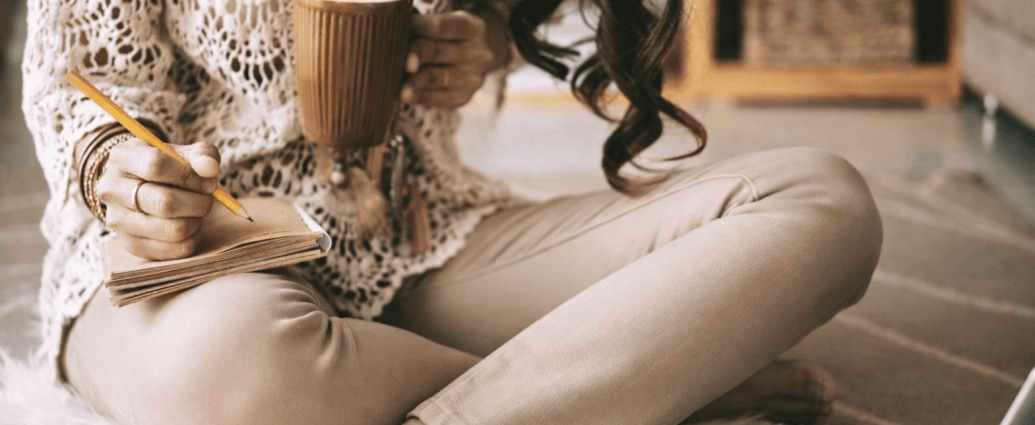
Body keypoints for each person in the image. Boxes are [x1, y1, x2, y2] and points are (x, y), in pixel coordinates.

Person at [21, 0, 883, 422]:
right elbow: (79, 83)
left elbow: (500, 16)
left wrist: (483, 46)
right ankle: (644, 387)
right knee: (233, 376)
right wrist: (120, 172)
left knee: (820, 202)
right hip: (194, 245)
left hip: (422, 236)